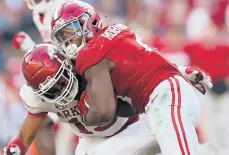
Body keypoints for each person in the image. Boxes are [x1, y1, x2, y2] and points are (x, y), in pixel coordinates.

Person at [50, 1, 213, 154]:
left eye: (71, 32)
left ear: (89, 23)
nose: (68, 41)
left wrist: (82, 115)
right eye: (63, 36)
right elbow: (146, 56)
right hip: (157, 106)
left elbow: (103, 113)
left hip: (167, 99)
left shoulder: (90, 55)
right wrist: (181, 70)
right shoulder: (117, 30)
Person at [1, 43, 210, 155]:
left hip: (133, 126)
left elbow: (143, 59)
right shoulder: (37, 98)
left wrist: (179, 71)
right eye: (52, 90)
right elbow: (25, 134)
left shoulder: (89, 66)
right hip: (91, 141)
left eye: (61, 81)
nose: (61, 90)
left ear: (68, 65)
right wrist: (14, 147)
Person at [12, 1, 78, 154]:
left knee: (68, 122)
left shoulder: (61, 6)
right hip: (59, 71)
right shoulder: (38, 13)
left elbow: (72, 44)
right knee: (42, 120)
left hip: (74, 70)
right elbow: (50, 51)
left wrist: (29, 47)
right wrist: (30, 47)